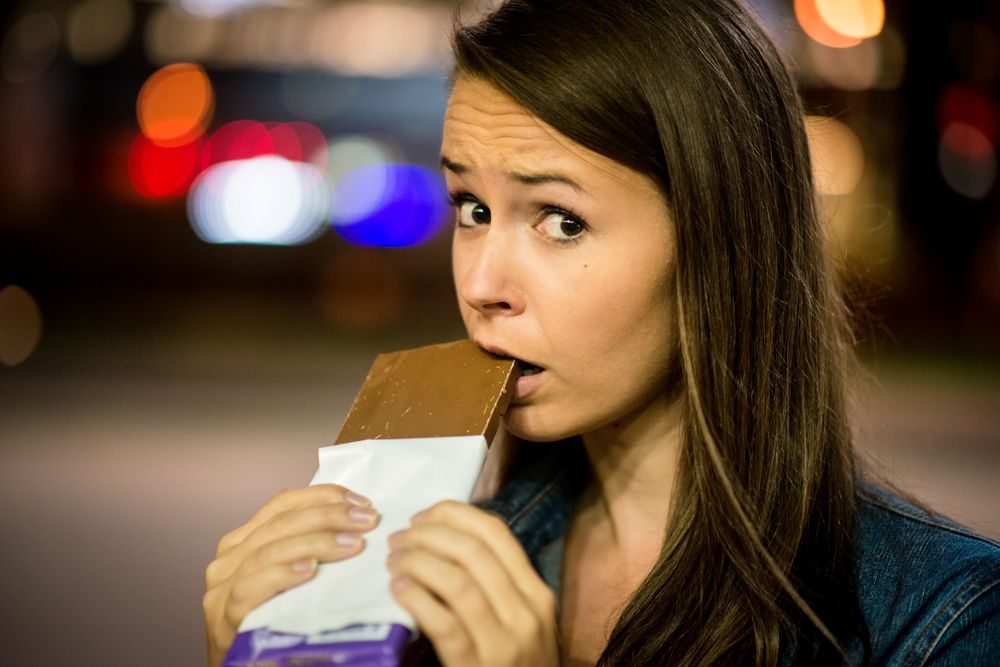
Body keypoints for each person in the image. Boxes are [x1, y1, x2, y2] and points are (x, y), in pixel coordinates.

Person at [202, 1, 1000, 665]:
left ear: (722, 242)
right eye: (471, 209)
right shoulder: (426, 575)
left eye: (561, 220)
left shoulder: (944, 619)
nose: (481, 288)